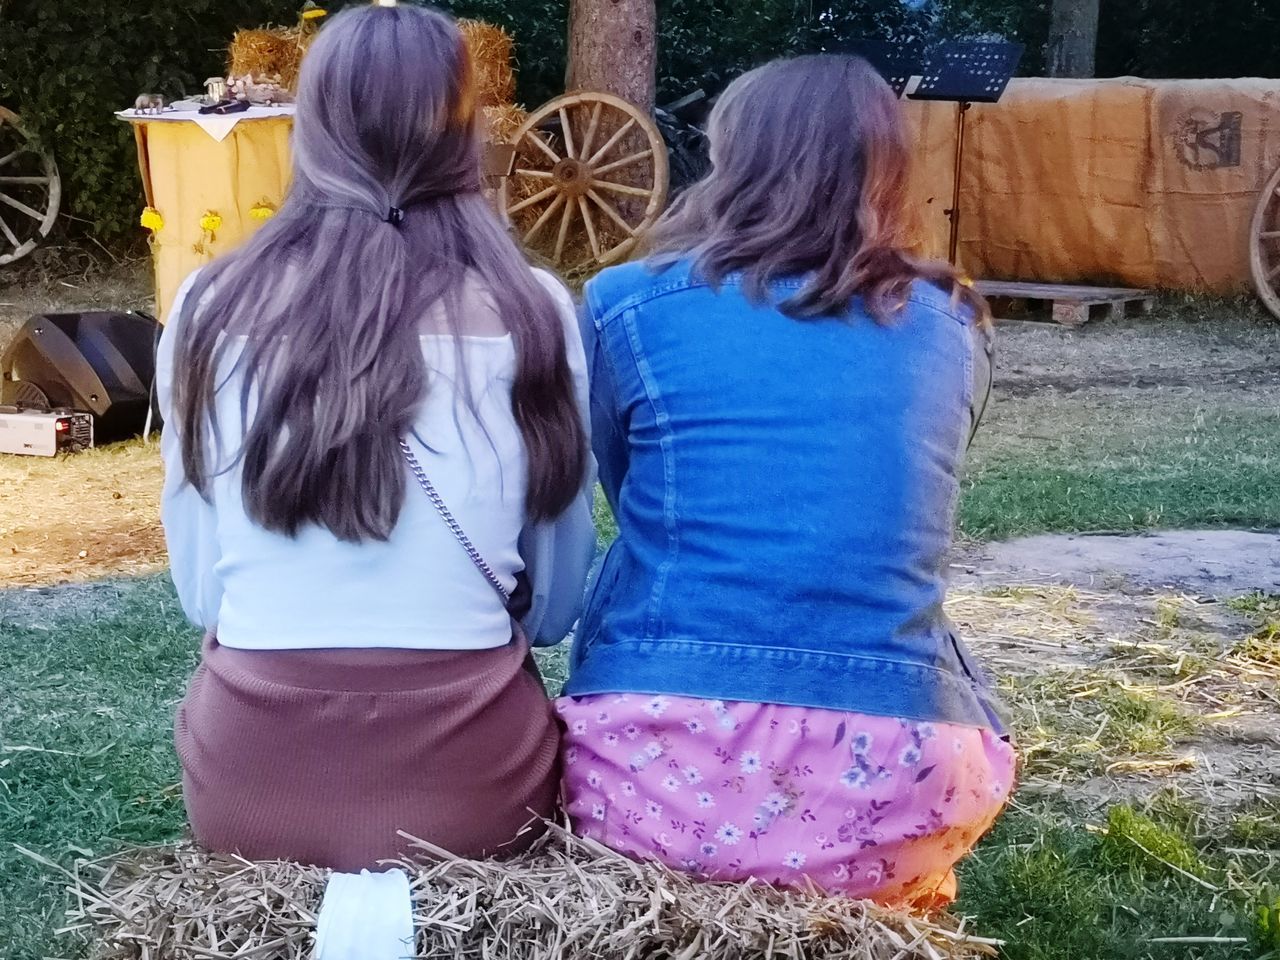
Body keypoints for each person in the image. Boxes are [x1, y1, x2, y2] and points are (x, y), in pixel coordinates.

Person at [556, 54, 1013, 909]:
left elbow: (632, 499)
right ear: (887, 168)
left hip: (655, 779)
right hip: (904, 788)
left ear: (731, 157)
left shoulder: (624, 303)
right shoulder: (953, 321)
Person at [156, 3, 595, 872]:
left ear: (311, 129)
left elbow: (206, 596)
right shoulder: (534, 308)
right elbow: (552, 606)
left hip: (249, 789)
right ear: (466, 134)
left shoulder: (208, 306)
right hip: (479, 793)